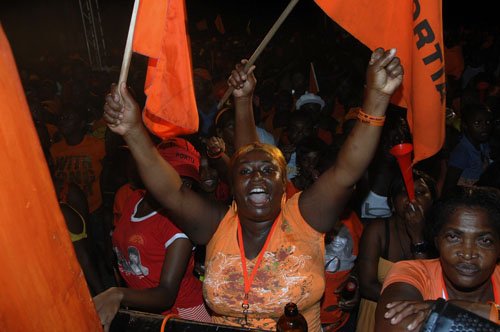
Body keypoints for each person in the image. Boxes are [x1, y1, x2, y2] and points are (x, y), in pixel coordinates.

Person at [102, 47, 403, 331]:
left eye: (269, 171)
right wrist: (133, 130)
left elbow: (345, 171)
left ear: (283, 185)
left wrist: (377, 97)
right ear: (233, 186)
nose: (257, 177)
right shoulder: (218, 224)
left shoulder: (304, 218)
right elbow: (172, 192)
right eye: (245, 173)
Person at [92, 138, 211, 331]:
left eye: (186, 183)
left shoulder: (178, 223)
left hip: (182, 314)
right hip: (145, 311)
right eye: (172, 176)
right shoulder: (133, 199)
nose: (179, 188)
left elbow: (166, 294)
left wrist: (119, 294)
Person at [375, 186, 500, 331]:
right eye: (453, 237)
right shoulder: (413, 272)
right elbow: (393, 325)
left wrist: (445, 308)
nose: (467, 254)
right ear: (437, 242)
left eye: (484, 241)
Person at [356, 169, 437, 332]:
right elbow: (366, 285)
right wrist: (405, 305)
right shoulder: (378, 230)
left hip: (418, 320)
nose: (412, 199)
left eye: (420, 192)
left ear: (433, 201)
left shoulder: (440, 236)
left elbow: (428, 288)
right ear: (392, 202)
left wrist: (417, 237)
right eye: (404, 192)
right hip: (378, 314)